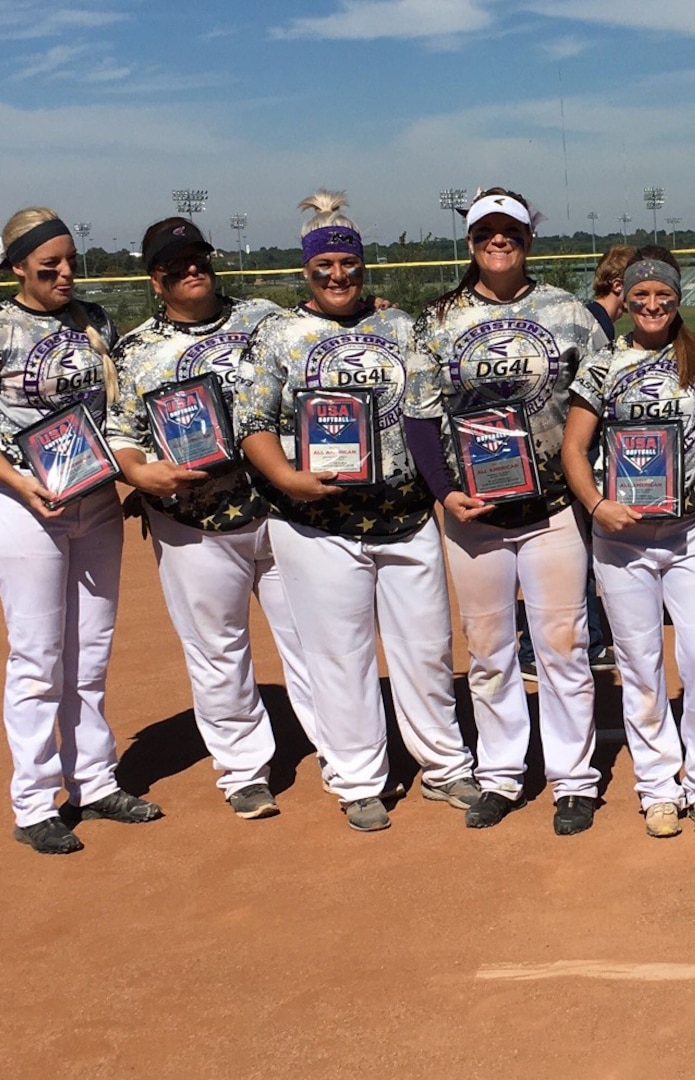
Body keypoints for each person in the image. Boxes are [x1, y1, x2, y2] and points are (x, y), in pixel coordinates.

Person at [234, 190, 474, 833]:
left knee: (426, 648)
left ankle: (445, 765)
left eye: (349, 265)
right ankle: (359, 777)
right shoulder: (280, 336)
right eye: (324, 268)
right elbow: (253, 421)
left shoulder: (401, 328)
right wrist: (289, 478)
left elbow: (425, 418)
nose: (338, 276)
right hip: (316, 523)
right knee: (340, 655)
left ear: (363, 268)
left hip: (406, 516)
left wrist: (442, 488)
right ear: (305, 271)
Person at [0, 206, 162, 855]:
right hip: (23, 505)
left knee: (89, 654)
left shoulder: (95, 322)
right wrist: (17, 482)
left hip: (92, 502)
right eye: (49, 265)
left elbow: (121, 412)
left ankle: (94, 781)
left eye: (69, 261)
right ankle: (35, 799)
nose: (66, 272)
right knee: (38, 656)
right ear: (18, 268)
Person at [105, 217, 324, 820]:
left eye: (198, 257)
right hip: (192, 523)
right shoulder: (138, 351)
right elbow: (120, 433)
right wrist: (136, 472)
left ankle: (342, 750)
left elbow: (321, 353)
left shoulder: (264, 319)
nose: (191, 269)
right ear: (157, 280)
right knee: (217, 651)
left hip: (280, 512)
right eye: (176, 264)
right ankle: (243, 770)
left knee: (313, 638)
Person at [405, 187, 609, 836]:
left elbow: (596, 401)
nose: (499, 241)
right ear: (470, 242)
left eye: (511, 231)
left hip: (550, 508)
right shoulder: (436, 319)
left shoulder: (567, 312)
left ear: (528, 238)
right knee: (490, 652)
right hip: (474, 515)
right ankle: (499, 775)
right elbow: (417, 416)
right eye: (486, 232)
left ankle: (572, 780)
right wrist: (444, 492)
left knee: (561, 646)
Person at [560, 246, 695, 838]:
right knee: (640, 665)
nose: (652, 304)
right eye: (641, 295)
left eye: (663, 294)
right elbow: (573, 450)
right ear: (625, 296)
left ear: (677, 298)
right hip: (623, 542)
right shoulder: (602, 364)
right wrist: (596, 504)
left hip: (689, 534)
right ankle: (659, 785)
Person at [516, 244, 634, 681]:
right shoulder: (589, 325)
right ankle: (548, 645)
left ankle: (589, 636)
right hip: (566, 456)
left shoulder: (589, 318)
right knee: (574, 550)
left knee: (575, 551)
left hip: (567, 454)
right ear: (620, 286)